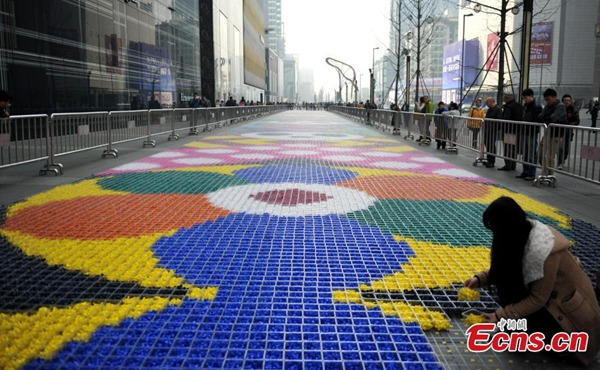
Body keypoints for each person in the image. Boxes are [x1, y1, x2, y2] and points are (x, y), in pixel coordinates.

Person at [464, 196, 600, 366]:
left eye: (496, 230)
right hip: (552, 306)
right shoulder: (521, 234)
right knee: (512, 313)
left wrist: (500, 316)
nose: (495, 236)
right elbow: (508, 267)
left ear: (507, 227)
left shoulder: (544, 252)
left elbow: (538, 299)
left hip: (573, 323)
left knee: (523, 331)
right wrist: (480, 278)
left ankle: (556, 344)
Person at [537, 89, 568, 173]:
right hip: (548, 132)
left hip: (557, 134)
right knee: (540, 153)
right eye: (546, 100)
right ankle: (545, 170)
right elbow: (540, 117)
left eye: (548, 99)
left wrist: (546, 118)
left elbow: (552, 119)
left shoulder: (560, 106)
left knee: (550, 156)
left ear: (554, 97)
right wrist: (545, 118)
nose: (547, 101)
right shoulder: (547, 106)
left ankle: (549, 174)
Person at [517, 88, 543, 181]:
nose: (524, 99)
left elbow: (537, 119)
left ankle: (532, 173)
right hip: (524, 132)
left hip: (532, 133)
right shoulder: (525, 106)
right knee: (525, 153)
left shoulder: (536, 107)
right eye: (523, 98)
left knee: (531, 153)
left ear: (531, 96)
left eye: (526, 97)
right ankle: (525, 171)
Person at [498, 93, 523, 172]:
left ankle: (508, 165)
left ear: (507, 98)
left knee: (508, 148)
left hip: (509, 130)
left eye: (505, 98)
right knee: (513, 148)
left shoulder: (508, 107)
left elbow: (506, 118)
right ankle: (513, 165)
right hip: (517, 129)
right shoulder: (519, 105)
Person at [558, 94, 580, 169]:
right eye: (565, 100)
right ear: (562, 101)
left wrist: (569, 124)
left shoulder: (573, 109)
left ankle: (563, 159)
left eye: (568, 100)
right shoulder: (559, 108)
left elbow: (577, 121)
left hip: (568, 132)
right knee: (560, 148)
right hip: (559, 132)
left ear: (570, 101)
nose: (567, 102)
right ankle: (560, 162)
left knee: (566, 149)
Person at [483, 97, 503, 168]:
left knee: (491, 145)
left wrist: (494, 128)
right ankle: (489, 160)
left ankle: (492, 161)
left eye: (487, 103)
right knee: (488, 145)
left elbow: (499, 120)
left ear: (491, 102)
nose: (486, 104)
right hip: (487, 129)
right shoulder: (489, 109)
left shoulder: (498, 109)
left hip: (493, 130)